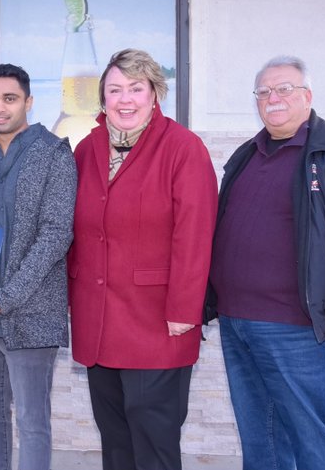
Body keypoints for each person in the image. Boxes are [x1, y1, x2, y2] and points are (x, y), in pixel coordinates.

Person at [205, 55, 325, 470]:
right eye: (264, 92)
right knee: (262, 443)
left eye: (284, 89)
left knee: (317, 444)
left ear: (307, 96)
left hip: (300, 331)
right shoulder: (247, 155)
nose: (273, 98)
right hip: (238, 325)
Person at [68, 48, 218, 470]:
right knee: (115, 440)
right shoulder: (88, 148)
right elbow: (73, 232)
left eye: (136, 88)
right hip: (97, 321)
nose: (125, 99)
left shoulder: (183, 148)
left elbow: (195, 235)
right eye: (115, 89)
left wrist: (185, 311)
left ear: (155, 95)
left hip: (158, 322)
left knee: (154, 441)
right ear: (102, 99)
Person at [0, 64, 77, 470]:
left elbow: (56, 235)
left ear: (28, 102)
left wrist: (6, 298)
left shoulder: (54, 154)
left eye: (9, 98)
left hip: (31, 314)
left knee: (32, 421)